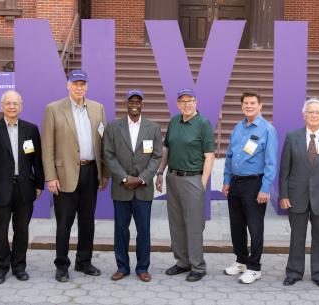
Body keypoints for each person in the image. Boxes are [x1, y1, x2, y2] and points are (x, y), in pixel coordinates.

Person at [42, 69, 108, 282]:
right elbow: (47, 145)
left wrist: (104, 173)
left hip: (91, 172)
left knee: (88, 221)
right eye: (75, 83)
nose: (79, 87)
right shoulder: (53, 109)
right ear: (68, 85)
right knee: (64, 223)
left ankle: (84, 262)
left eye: (82, 84)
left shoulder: (98, 109)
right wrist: (50, 176)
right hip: (64, 174)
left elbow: (103, 143)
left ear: (87, 86)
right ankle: (62, 265)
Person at [0, 90, 44, 284]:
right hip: (0, 189)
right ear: (2, 106)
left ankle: (19, 266)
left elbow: (37, 160)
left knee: (22, 230)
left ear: (21, 106)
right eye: (8, 103)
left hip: (25, 188)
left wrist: (39, 184)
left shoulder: (31, 130)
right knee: (0, 230)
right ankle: (0, 268)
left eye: (15, 103)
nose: (12, 106)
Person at [278, 98, 319, 288]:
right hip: (296, 196)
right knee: (296, 236)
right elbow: (285, 170)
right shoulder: (292, 137)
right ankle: (294, 272)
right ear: (304, 115)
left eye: (318, 113)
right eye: (310, 112)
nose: (314, 115)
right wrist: (283, 195)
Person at [102, 89, 162, 282]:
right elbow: (108, 155)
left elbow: (157, 156)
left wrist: (142, 178)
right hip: (121, 188)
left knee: (143, 231)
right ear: (126, 103)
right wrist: (123, 178)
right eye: (131, 101)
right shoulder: (113, 127)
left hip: (143, 189)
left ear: (142, 104)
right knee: (121, 231)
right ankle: (122, 266)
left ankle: (143, 267)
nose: (134, 103)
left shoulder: (153, 127)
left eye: (138, 101)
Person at [155, 88, 215, 282]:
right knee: (177, 223)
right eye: (183, 101)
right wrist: (160, 172)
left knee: (194, 225)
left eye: (190, 100)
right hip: (173, 178)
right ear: (178, 104)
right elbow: (166, 149)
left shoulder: (203, 124)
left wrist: (203, 183)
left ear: (196, 102)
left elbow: (209, 156)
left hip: (193, 180)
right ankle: (182, 262)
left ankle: (198, 266)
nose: (187, 104)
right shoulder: (174, 121)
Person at [222, 92, 278, 284]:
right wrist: (226, 180)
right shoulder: (238, 128)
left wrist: (265, 188)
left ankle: (255, 267)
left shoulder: (268, 130)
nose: (249, 106)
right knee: (236, 226)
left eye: (253, 103)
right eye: (245, 103)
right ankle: (241, 261)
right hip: (235, 183)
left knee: (255, 227)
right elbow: (229, 157)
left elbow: (271, 163)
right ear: (242, 106)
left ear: (260, 105)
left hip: (255, 184)